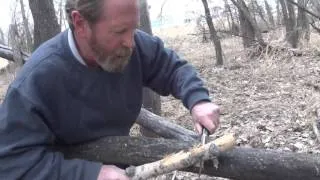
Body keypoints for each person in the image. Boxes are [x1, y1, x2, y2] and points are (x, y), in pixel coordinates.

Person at [0, 0, 220, 179]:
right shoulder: (37, 80)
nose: (130, 43)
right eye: (119, 31)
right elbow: (11, 163)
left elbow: (171, 67)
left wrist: (197, 99)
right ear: (80, 23)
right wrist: (91, 175)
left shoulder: (134, 46)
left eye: (133, 29)